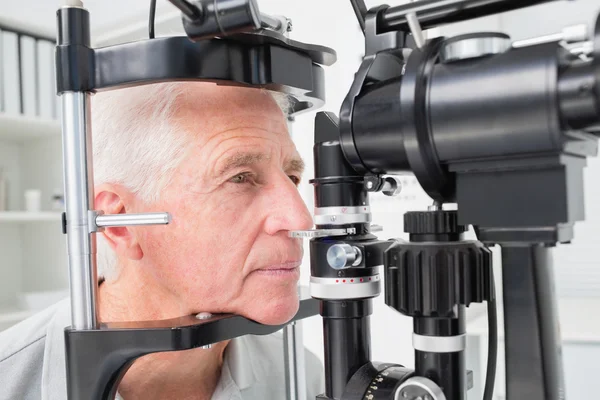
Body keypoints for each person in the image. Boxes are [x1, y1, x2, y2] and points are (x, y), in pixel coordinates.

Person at [0, 82, 324, 399]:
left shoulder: (302, 375)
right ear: (120, 223)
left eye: (292, 177)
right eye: (239, 178)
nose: (300, 219)